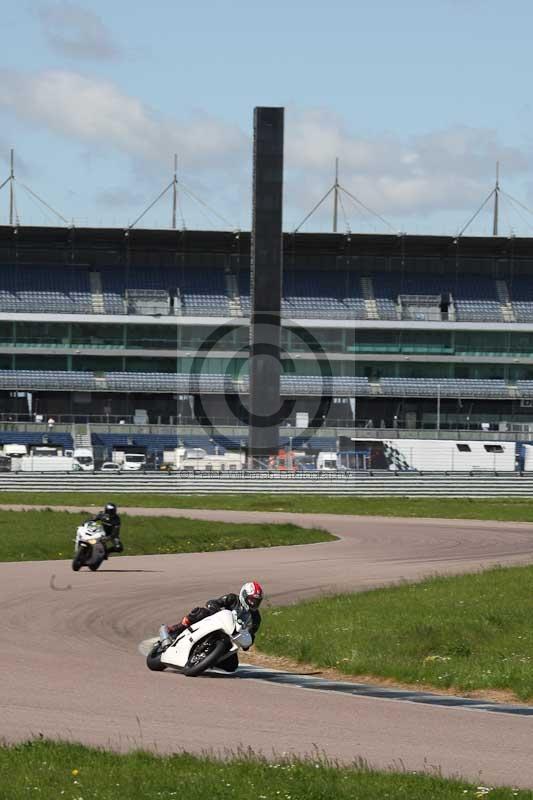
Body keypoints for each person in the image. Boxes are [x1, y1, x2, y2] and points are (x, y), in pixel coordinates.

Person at [159, 581, 264, 672]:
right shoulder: (233, 599)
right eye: (251, 599)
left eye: (256, 601)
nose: (253, 603)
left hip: (230, 638)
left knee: (232, 666)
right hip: (215, 623)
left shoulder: (256, 618)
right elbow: (213, 602)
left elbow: (251, 634)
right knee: (201, 612)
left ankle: (208, 660)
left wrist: (247, 642)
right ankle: (177, 627)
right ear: (244, 595)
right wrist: (215, 610)